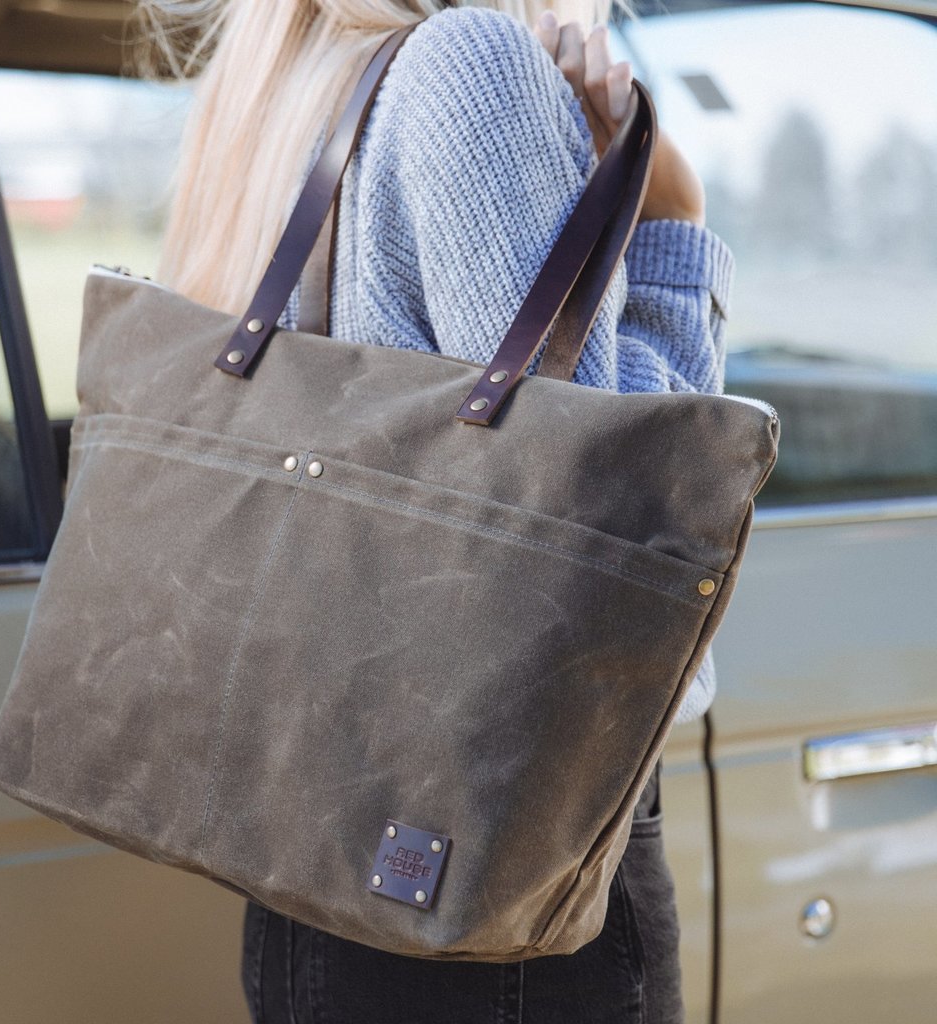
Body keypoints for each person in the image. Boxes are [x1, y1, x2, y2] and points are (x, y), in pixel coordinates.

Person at [148, 1, 732, 1020]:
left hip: (303, 868)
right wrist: (674, 222)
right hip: (495, 879)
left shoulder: (277, 89)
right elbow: (598, 519)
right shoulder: (476, 63)